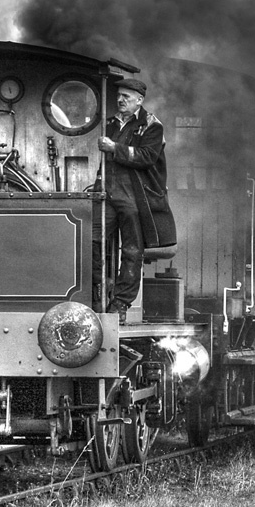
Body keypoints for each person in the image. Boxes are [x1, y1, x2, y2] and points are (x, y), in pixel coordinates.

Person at [93, 78, 176, 324]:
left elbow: (147, 157)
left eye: (126, 97)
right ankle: (96, 293)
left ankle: (120, 304)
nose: (120, 100)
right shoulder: (110, 123)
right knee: (92, 241)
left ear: (139, 100)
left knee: (132, 251)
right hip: (107, 193)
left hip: (135, 195)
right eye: (119, 95)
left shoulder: (152, 125)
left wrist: (114, 148)